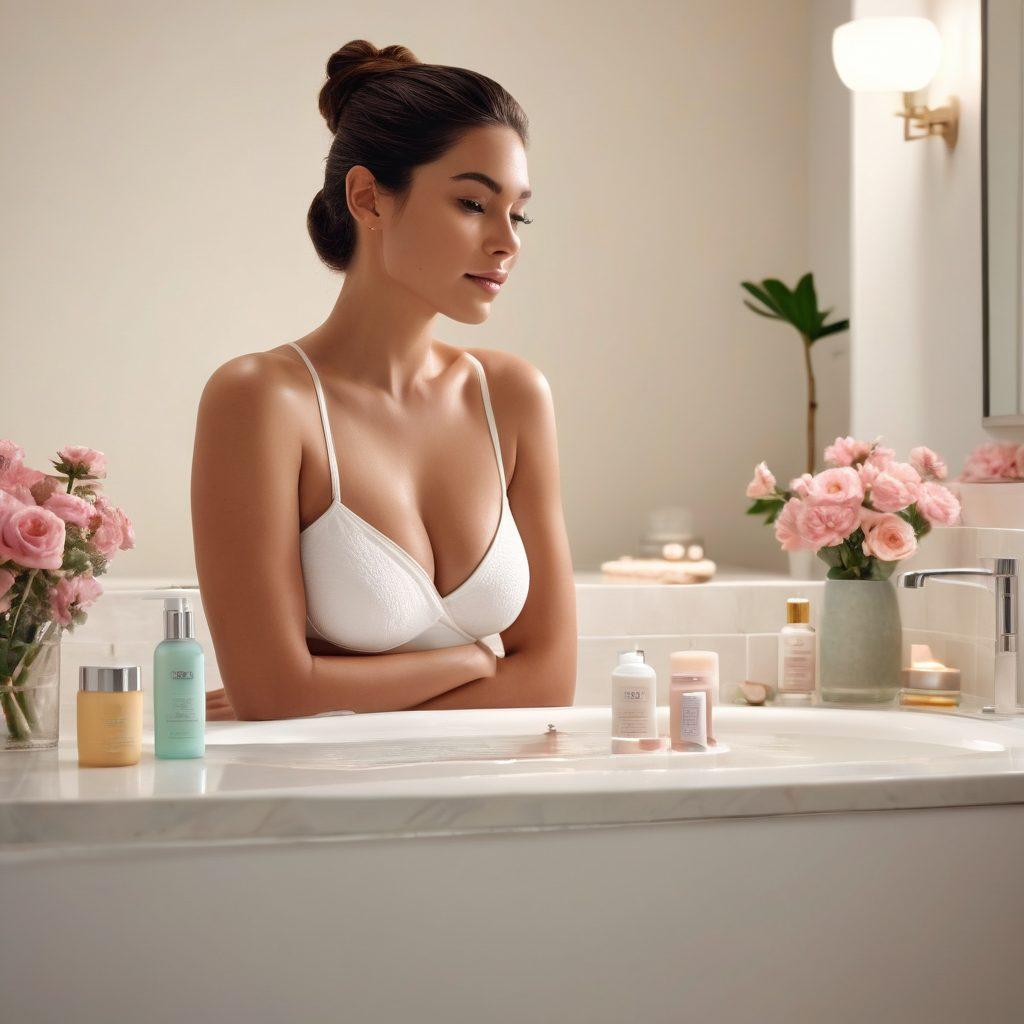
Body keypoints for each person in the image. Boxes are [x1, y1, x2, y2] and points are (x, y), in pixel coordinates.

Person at [191, 40, 577, 720]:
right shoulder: (261, 401)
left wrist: (332, 693)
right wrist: (473, 661)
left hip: (499, 806)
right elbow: (273, 695)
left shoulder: (511, 397)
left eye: (518, 213)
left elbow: (550, 683)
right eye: (471, 203)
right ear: (368, 199)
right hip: (326, 816)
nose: (507, 241)